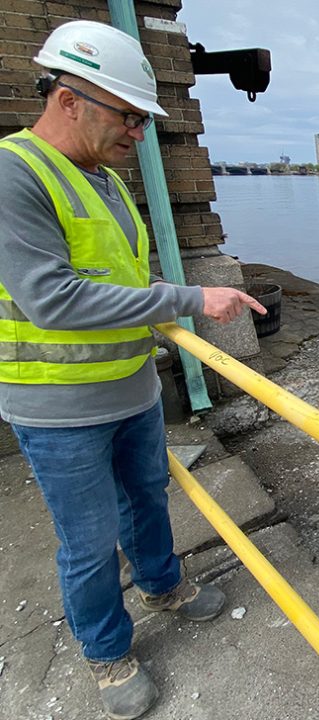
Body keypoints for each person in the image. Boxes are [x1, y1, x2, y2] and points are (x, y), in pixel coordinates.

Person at [0, 20, 266, 720]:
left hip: (132, 387)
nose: (139, 133)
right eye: (128, 115)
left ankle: (161, 583)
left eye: (143, 120)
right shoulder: (13, 173)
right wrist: (187, 299)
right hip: (57, 406)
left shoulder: (108, 182)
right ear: (69, 99)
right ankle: (106, 653)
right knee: (87, 542)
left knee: (147, 499)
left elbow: (120, 279)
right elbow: (50, 297)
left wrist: (155, 331)